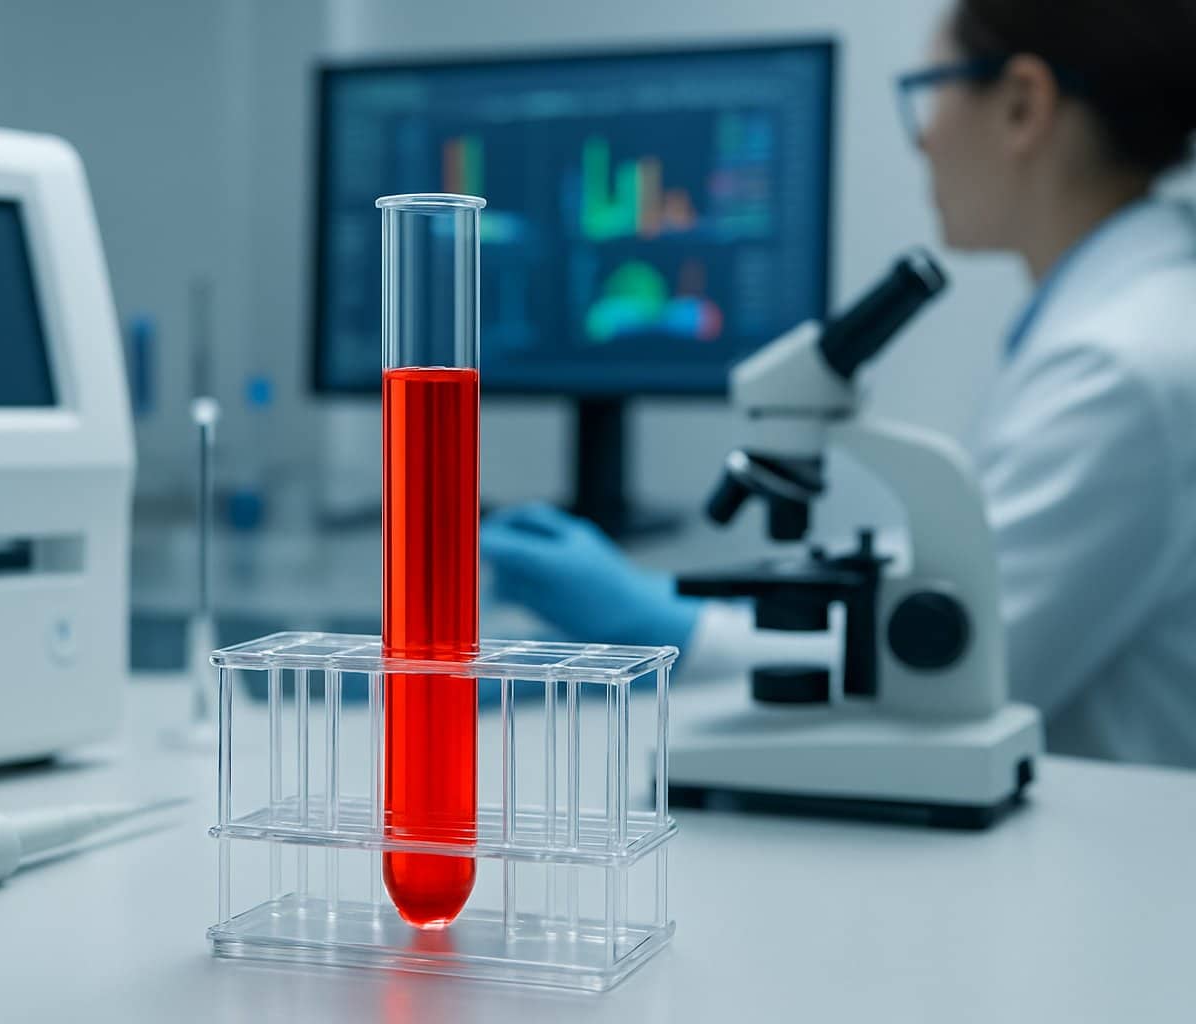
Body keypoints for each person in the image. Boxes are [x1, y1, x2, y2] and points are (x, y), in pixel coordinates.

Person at [483, 0, 1196, 770]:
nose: (922, 137)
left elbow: (951, 678)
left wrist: (674, 631)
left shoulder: (1120, 370)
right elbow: (965, 564)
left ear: (1024, 105)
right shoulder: (1118, 324)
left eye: (931, 90)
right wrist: (680, 606)